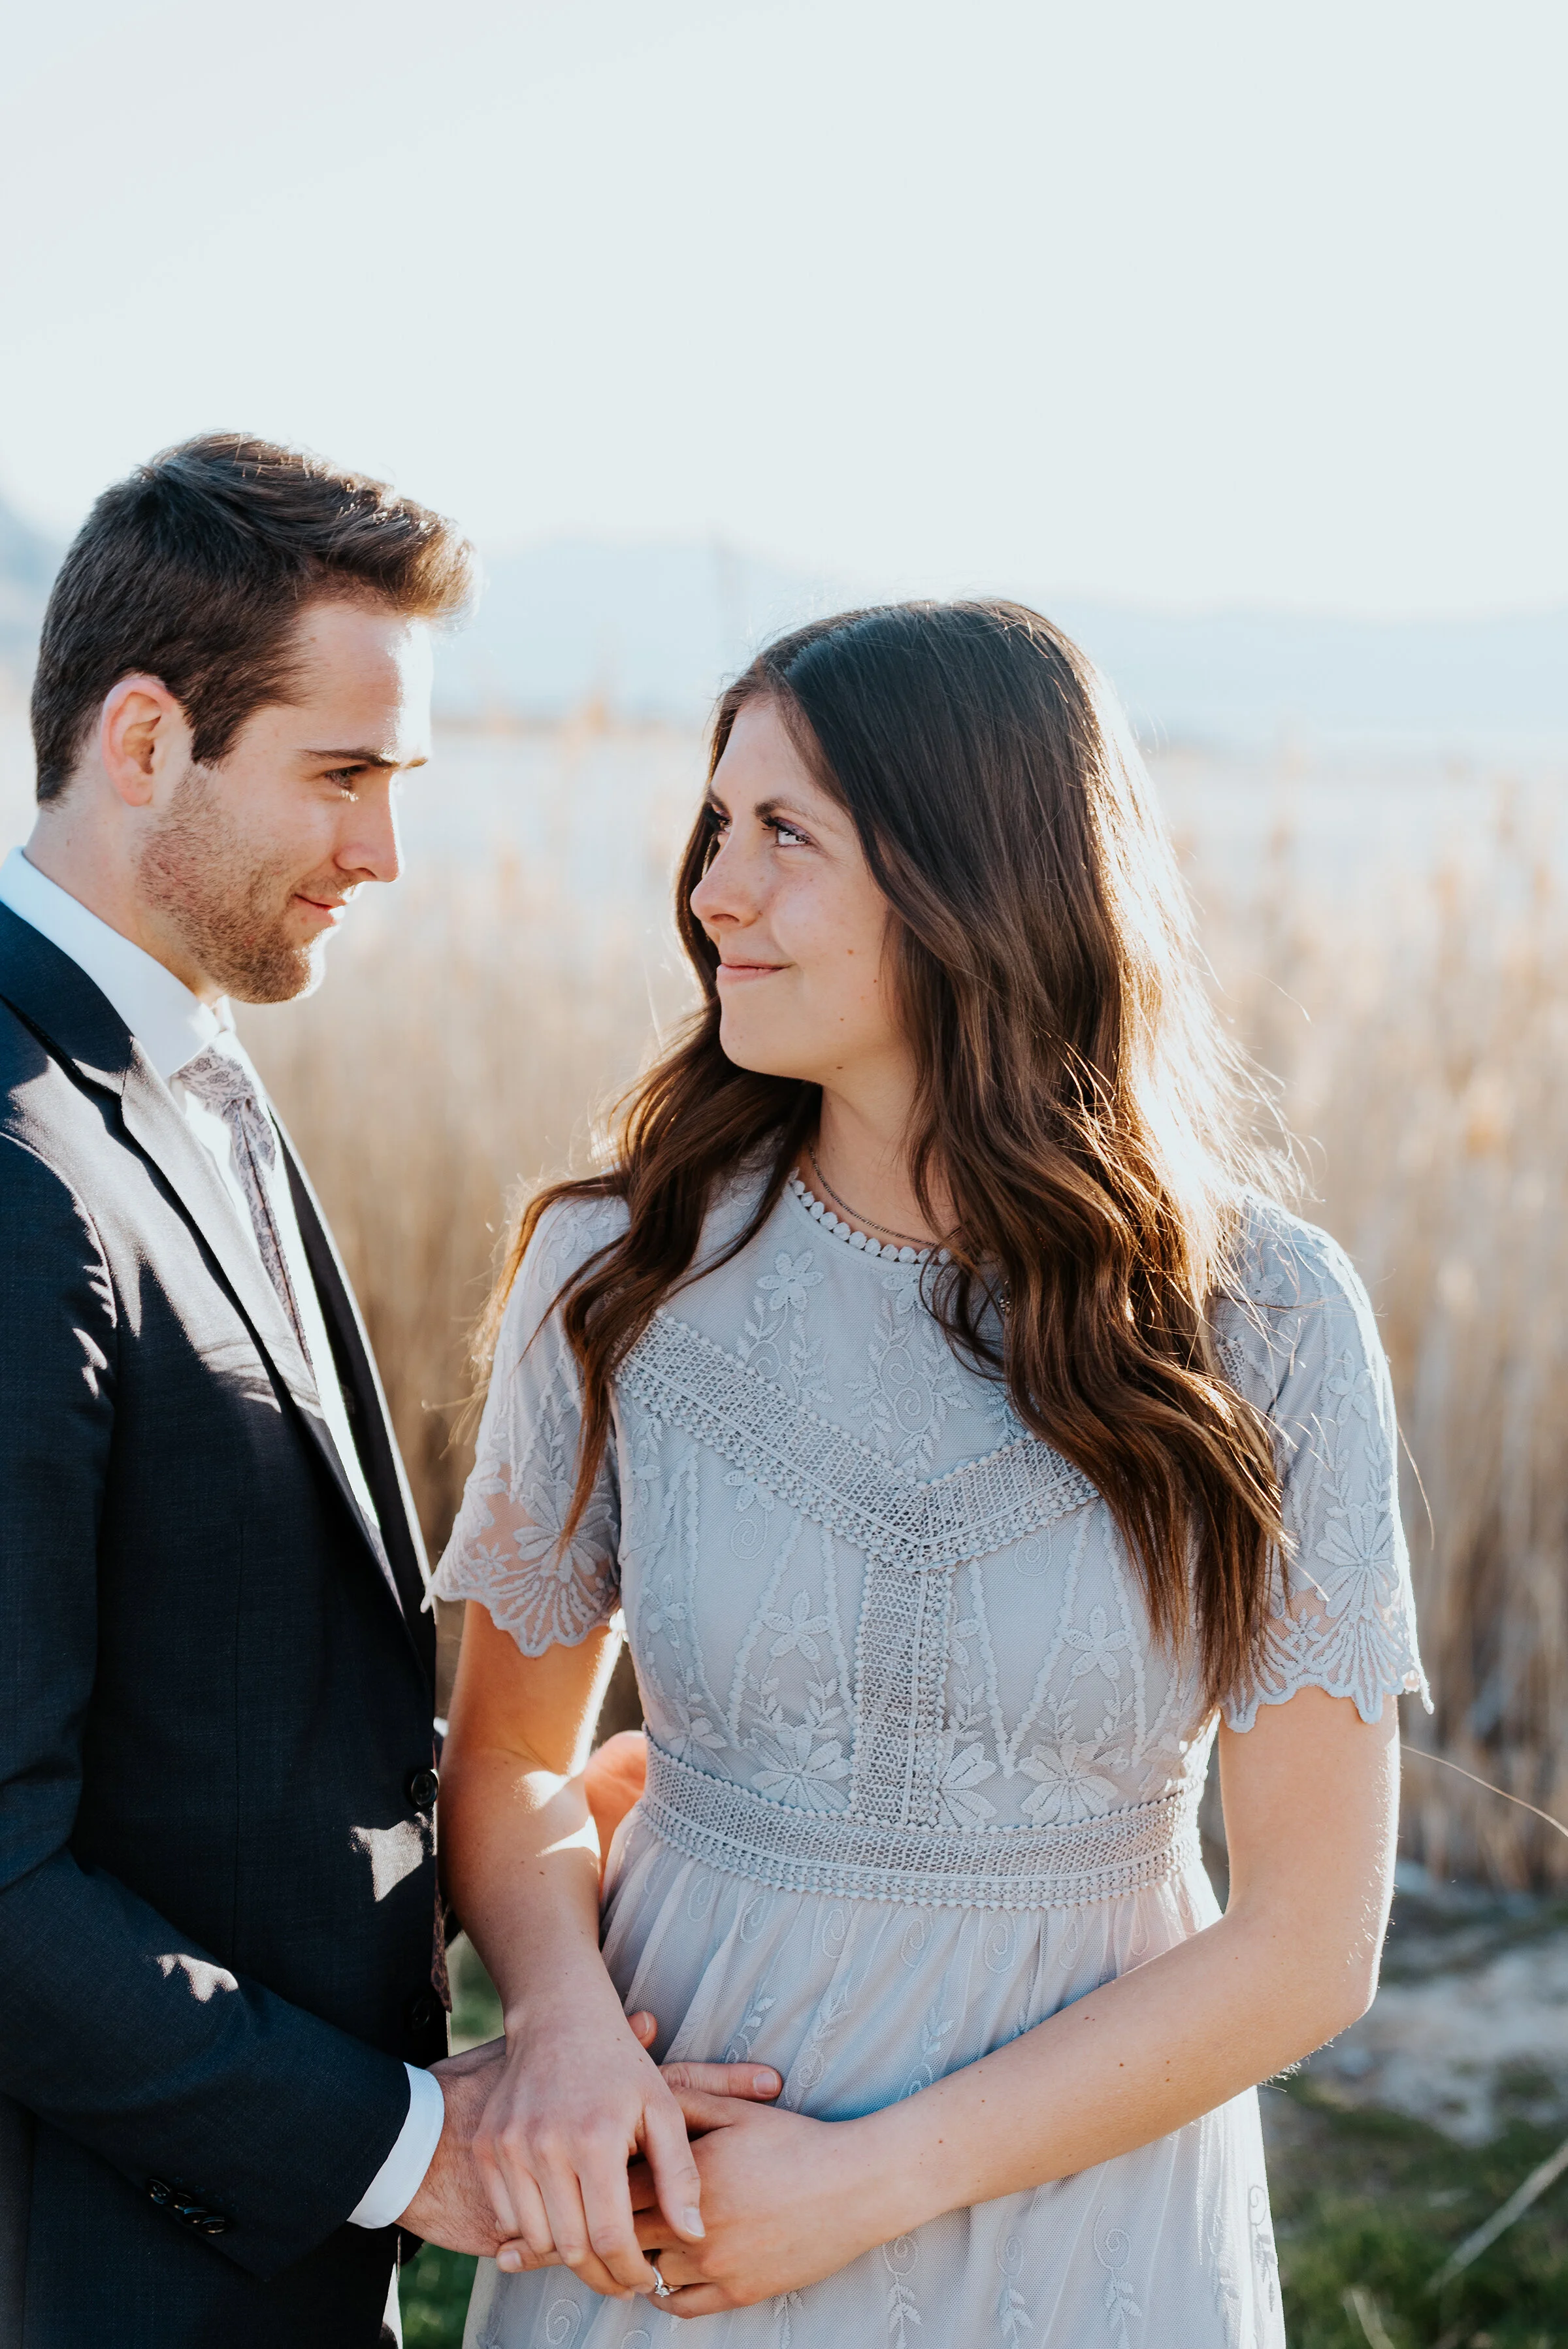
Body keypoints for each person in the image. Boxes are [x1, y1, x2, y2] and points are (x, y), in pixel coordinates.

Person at [434, 600, 1429, 2346]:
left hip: (1085, 2228)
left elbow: (1308, 1942)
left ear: (973, 879)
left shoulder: (1263, 1320)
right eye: (714, 827)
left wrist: (878, 2178)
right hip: (670, 2200)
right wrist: (569, 2034)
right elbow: (512, 1757)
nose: (713, 891)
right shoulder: (618, 1268)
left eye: (786, 835)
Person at [0, 436, 774, 2349]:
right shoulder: (18, 1163)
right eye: (341, 777)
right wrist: (415, 2149)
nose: (383, 854)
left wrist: (480, 1829)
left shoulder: (179, 1063)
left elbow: (182, 1696)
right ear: (144, 740)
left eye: (397, 785)